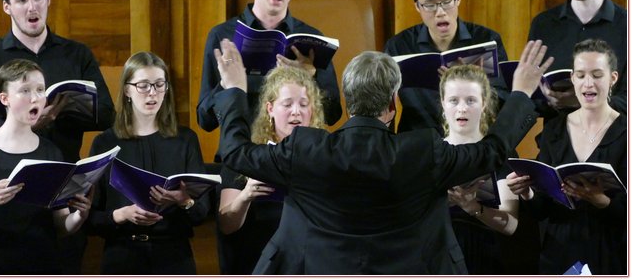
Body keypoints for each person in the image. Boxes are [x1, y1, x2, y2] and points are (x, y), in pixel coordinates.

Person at [211, 38, 551, 274]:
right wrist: (520, 92)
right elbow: (492, 152)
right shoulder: (423, 150)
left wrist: (235, 90)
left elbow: (236, 152)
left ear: (346, 102)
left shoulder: (306, 148)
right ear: (392, 106)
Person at [0, 0, 115, 273]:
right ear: (6, 6)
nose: (32, 7)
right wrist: (38, 120)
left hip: (61, 187)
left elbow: (106, 114)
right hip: (5, 198)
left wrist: (61, 110)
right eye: (22, 0)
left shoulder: (75, 53)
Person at [197, 0, 342, 138]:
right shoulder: (222, 36)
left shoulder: (313, 40)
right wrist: (226, 85)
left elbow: (333, 115)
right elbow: (205, 121)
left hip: (294, 156)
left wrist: (310, 77)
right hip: (241, 153)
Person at [506, 39, 626, 275]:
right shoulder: (554, 130)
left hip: (612, 253)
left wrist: (603, 201)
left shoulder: (627, 132)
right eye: (580, 75)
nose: (588, 83)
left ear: (612, 78)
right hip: (560, 253)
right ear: (572, 78)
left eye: (596, 75)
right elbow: (543, 208)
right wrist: (527, 192)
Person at [84, 51, 210, 275]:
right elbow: (88, 218)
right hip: (122, 254)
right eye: (143, 85)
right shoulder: (105, 143)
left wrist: (184, 201)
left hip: (174, 255)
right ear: (127, 90)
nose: (152, 93)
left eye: (159, 84)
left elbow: (202, 212)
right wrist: (121, 215)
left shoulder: (185, 140)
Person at [0, 59, 92, 274]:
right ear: (5, 99)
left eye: (40, 90)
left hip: (42, 263)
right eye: (25, 90)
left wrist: (79, 216)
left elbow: (61, 225)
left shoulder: (51, 152)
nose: (35, 97)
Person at [217, 66, 326, 274]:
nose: (296, 111)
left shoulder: (324, 157)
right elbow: (226, 224)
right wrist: (246, 197)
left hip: (308, 264)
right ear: (270, 109)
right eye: (287, 104)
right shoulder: (247, 158)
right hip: (258, 262)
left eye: (304, 104)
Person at [384, 0, 509, 134]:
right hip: (419, 142)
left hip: (474, 141)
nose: (440, 12)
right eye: (429, 5)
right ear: (417, 6)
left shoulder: (485, 40)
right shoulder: (399, 46)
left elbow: (503, 101)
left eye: (446, 2)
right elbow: (384, 105)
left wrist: (471, 82)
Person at [527, 0, 626, 118]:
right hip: (556, 141)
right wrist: (545, 98)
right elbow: (532, 98)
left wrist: (584, 100)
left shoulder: (626, 26)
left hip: (611, 142)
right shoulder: (543, 24)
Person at [439, 65, 520, 274]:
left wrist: (472, 206)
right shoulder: (432, 153)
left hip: (487, 257)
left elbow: (510, 225)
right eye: (454, 100)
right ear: (442, 103)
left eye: (471, 100)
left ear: (484, 104)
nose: (462, 108)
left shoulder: (500, 154)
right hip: (440, 258)